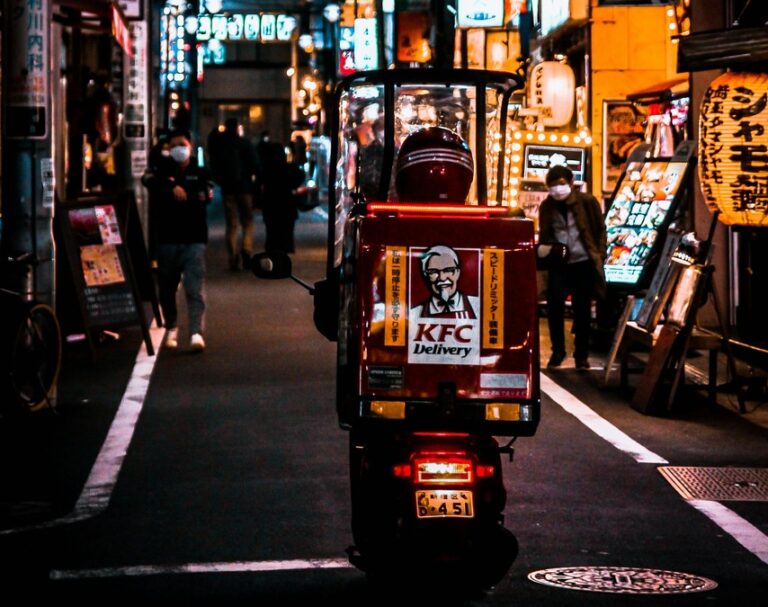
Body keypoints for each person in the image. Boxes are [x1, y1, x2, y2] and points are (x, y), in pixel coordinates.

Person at [142, 130, 213, 352]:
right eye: (172, 146)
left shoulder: (200, 171)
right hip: (167, 239)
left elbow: (205, 194)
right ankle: (172, 325)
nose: (178, 149)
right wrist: (171, 186)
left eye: (182, 144)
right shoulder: (160, 171)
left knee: (194, 288)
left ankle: (195, 333)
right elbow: (147, 178)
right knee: (166, 288)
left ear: (190, 146)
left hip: (194, 238)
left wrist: (186, 192)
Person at [538, 165, 607, 370]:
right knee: (555, 307)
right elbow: (545, 233)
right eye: (552, 185)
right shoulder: (546, 206)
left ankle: (581, 355)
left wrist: (600, 254)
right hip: (560, 264)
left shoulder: (587, 202)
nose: (557, 189)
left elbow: (600, 229)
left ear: (570, 183)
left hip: (584, 262)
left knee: (582, 309)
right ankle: (557, 351)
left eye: (560, 184)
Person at [208, 118, 258, 271]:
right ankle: (246, 249)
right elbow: (255, 164)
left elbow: (214, 166)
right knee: (248, 221)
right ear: (237, 128)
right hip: (245, 188)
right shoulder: (245, 143)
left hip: (228, 189)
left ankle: (233, 257)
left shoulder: (221, 145)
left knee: (231, 224)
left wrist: (221, 182)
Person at [256, 133, 299, 254]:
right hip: (286, 203)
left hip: (270, 203)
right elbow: (298, 177)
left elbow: (259, 183)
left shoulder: (266, 169)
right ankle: (283, 256)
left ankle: (273, 254)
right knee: (285, 232)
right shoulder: (287, 167)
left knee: (272, 232)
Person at [411, 245, 478, 319]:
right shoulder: (414, 313)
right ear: (426, 275)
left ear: (458, 273)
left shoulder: (478, 306)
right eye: (433, 271)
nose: (442, 278)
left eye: (448, 270)